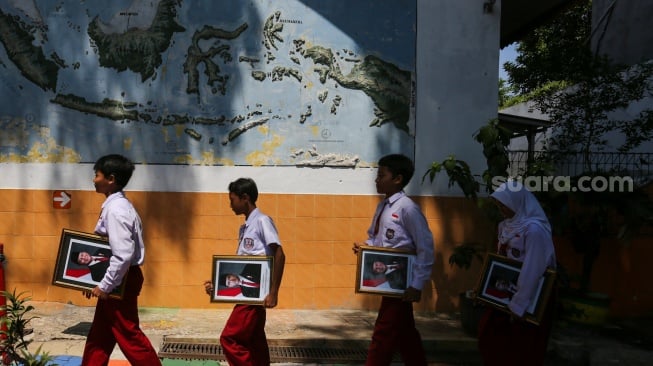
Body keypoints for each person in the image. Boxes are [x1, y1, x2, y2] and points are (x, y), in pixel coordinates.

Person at [352, 154, 435, 366]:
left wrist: (417, 285)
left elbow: (425, 248)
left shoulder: (408, 208)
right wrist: (365, 247)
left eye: (381, 175)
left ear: (398, 179)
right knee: (405, 332)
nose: (376, 180)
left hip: (401, 281)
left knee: (384, 332)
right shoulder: (383, 206)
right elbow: (375, 237)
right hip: (388, 282)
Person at [80, 154, 161, 366]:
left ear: (111, 179)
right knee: (100, 335)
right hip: (117, 277)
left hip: (121, 280)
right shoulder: (116, 205)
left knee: (129, 335)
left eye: (96, 175)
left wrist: (106, 285)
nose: (93, 179)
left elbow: (123, 254)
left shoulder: (117, 210)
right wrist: (92, 282)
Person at [203, 177, 286, 365]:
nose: (230, 205)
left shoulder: (262, 221)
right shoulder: (245, 227)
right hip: (249, 295)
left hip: (254, 296)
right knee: (254, 341)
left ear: (245, 198)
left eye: (232, 200)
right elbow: (239, 267)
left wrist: (274, 292)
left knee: (229, 338)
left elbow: (280, 255)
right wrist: (218, 286)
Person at [478, 180, 557, 366]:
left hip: (531, 293)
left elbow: (533, 268)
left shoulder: (535, 230)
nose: (501, 208)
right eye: (498, 204)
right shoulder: (505, 226)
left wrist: (519, 304)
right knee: (490, 335)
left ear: (517, 202)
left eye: (504, 204)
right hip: (507, 290)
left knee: (523, 344)